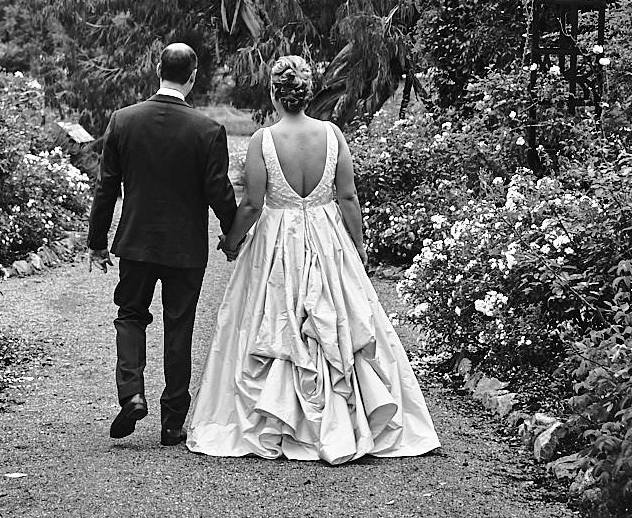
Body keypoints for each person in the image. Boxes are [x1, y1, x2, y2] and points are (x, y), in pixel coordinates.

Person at [186, 55, 441, 464]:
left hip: (276, 240)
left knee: (275, 319)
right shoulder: (332, 134)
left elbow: (252, 204)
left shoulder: (263, 140)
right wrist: (358, 245)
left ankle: (278, 415)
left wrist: (232, 242)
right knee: (338, 318)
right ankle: (348, 417)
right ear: (307, 93)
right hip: (327, 237)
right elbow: (348, 196)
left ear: (274, 93)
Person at [87, 43, 238, 445]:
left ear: (158, 69)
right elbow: (220, 192)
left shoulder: (124, 120)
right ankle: (172, 422)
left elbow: (106, 187)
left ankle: (132, 393)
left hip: (136, 242)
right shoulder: (208, 130)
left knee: (130, 315)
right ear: (194, 76)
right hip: (186, 249)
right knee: (179, 327)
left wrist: (97, 241)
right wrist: (233, 234)